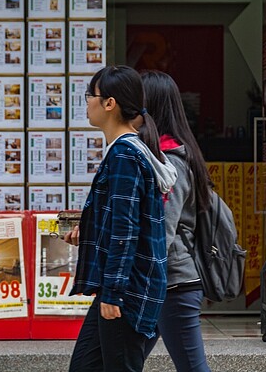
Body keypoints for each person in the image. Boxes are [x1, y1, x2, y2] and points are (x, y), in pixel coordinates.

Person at [63, 65, 178, 372]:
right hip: (122, 286)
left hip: (126, 291)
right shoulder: (128, 151)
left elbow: (125, 231)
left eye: (91, 95)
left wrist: (113, 293)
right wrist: (86, 233)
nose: (87, 102)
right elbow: (122, 221)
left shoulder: (125, 155)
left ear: (109, 104)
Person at [141, 70, 211, 372]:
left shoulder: (172, 161)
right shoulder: (163, 155)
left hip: (174, 284)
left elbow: (163, 231)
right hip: (164, 283)